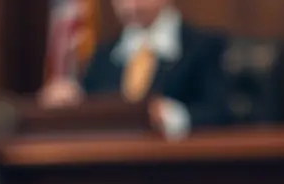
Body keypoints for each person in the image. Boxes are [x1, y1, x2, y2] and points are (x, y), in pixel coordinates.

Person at [40, 0, 230, 137]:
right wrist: (73, 101)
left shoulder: (204, 47)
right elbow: (96, 108)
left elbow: (219, 113)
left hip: (179, 172)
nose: (130, 5)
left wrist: (169, 116)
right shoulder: (103, 55)